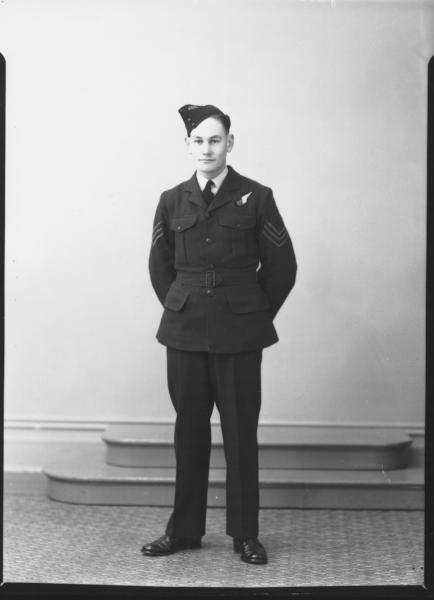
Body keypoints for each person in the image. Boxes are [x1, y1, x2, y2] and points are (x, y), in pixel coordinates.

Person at [142, 104, 297, 565]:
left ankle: (244, 534)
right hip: (185, 330)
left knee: (239, 434)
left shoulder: (258, 196)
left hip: (239, 334)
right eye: (198, 141)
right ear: (187, 146)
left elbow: (282, 267)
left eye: (215, 140)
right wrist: (182, 303)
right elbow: (160, 265)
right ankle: (185, 530)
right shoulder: (172, 199)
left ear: (230, 143)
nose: (206, 148)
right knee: (188, 432)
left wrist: (250, 312)